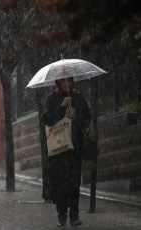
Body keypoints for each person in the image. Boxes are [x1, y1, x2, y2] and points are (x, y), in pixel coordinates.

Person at [42, 77, 91, 227]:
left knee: (74, 182)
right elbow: (47, 119)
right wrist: (62, 107)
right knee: (60, 183)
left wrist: (77, 117)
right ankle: (61, 215)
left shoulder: (77, 97)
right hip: (58, 149)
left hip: (74, 148)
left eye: (69, 80)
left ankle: (74, 216)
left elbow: (87, 119)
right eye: (63, 81)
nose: (66, 83)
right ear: (58, 82)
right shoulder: (52, 99)